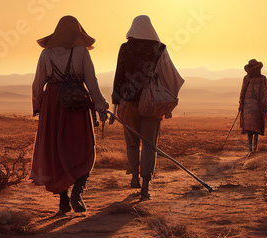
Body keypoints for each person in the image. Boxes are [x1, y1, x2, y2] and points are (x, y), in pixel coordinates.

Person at [30, 16, 109, 215]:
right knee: (84, 149)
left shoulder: (46, 54)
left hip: (53, 103)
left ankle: (64, 200)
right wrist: (100, 106)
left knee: (58, 150)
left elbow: (37, 83)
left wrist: (39, 107)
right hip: (77, 102)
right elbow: (92, 81)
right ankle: (78, 192)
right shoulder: (81, 51)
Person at [111, 15, 184, 201]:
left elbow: (118, 76)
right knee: (150, 144)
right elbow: (171, 77)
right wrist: (167, 102)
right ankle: (145, 186)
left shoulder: (125, 48)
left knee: (132, 142)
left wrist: (114, 103)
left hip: (127, 102)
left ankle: (134, 176)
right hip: (151, 103)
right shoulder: (159, 49)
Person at [239, 58, 267, 155]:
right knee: (255, 129)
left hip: (248, 106)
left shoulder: (252, 78)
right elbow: (265, 92)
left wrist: (241, 103)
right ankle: (253, 148)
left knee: (251, 129)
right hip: (255, 106)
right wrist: (266, 102)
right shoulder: (261, 78)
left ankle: (251, 149)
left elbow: (243, 92)